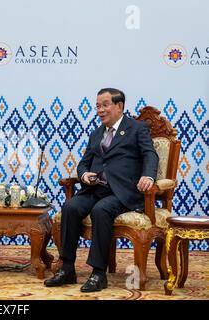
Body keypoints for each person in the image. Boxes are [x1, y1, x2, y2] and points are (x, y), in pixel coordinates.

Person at [44, 88, 158, 292]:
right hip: (94, 189)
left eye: (105, 105)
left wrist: (148, 176)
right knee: (70, 207)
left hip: (121, 192)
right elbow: (83, 163)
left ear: (119, 106)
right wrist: (84, 175)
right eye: (97, 106)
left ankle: (98, 273)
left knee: (101, 210)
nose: (100, 110)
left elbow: (150, 155)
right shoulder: (97, 133)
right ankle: (67, 268)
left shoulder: (137, 128)